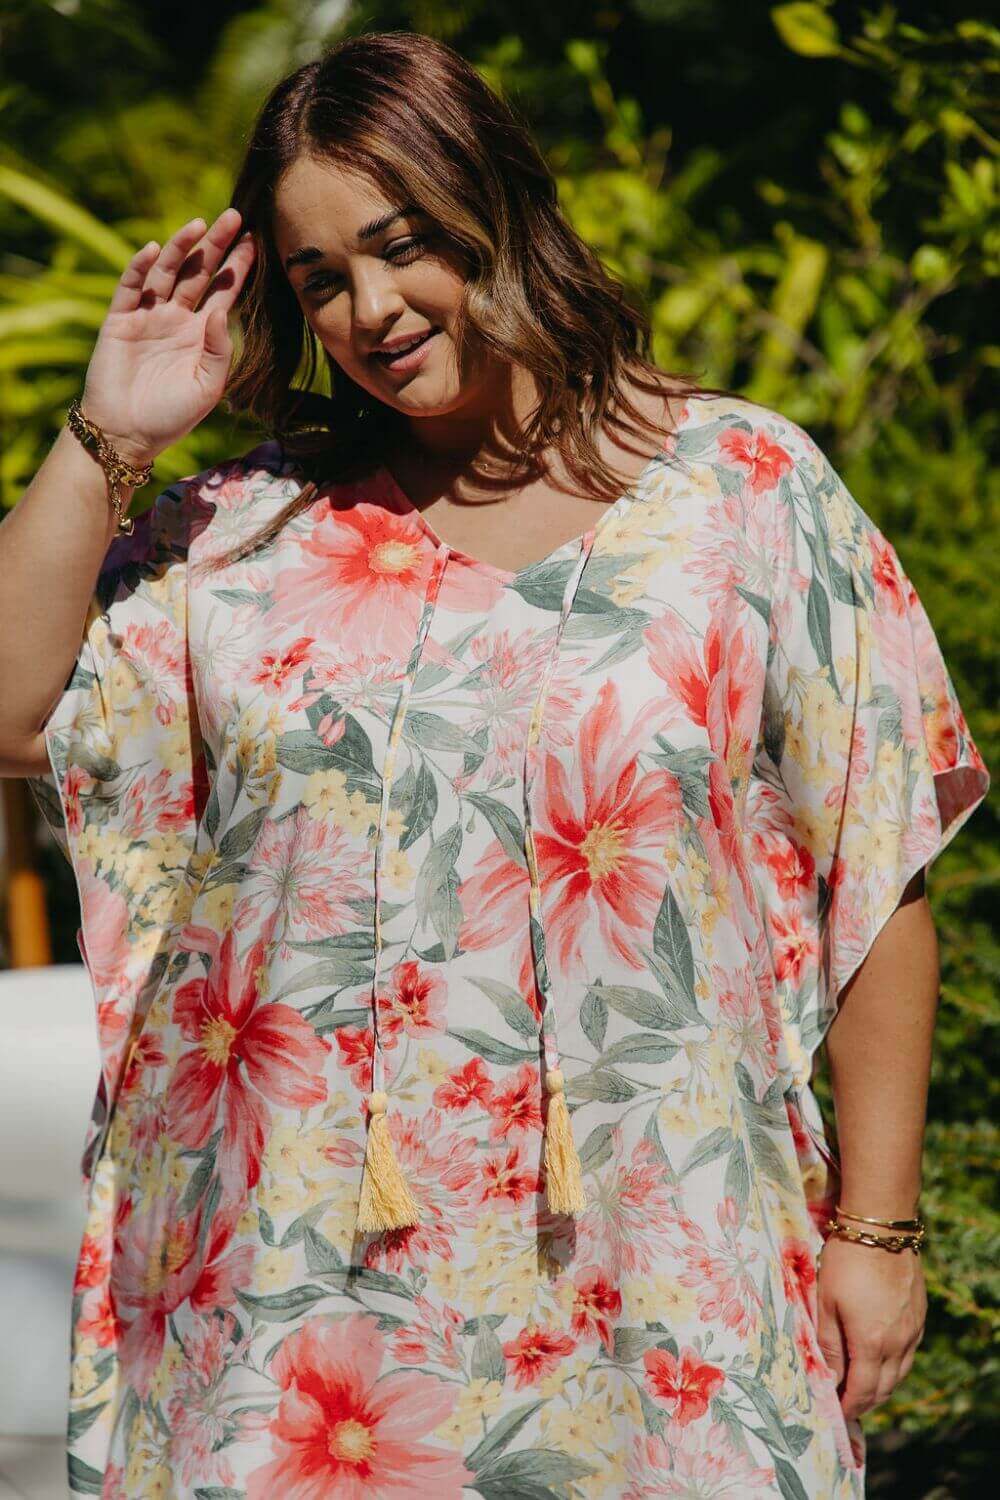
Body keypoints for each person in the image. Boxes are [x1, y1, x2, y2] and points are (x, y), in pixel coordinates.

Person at [0, 29, 989, 1500]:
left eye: (402, 246)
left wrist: (879, 1233)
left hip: (665, 1278)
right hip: (309, 1317)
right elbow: (18, 710)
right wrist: (106, 438)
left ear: (500, 208)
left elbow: (880, 873)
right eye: (320, 275)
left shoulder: (747, 494)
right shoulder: (242, 539)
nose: (371, 308)